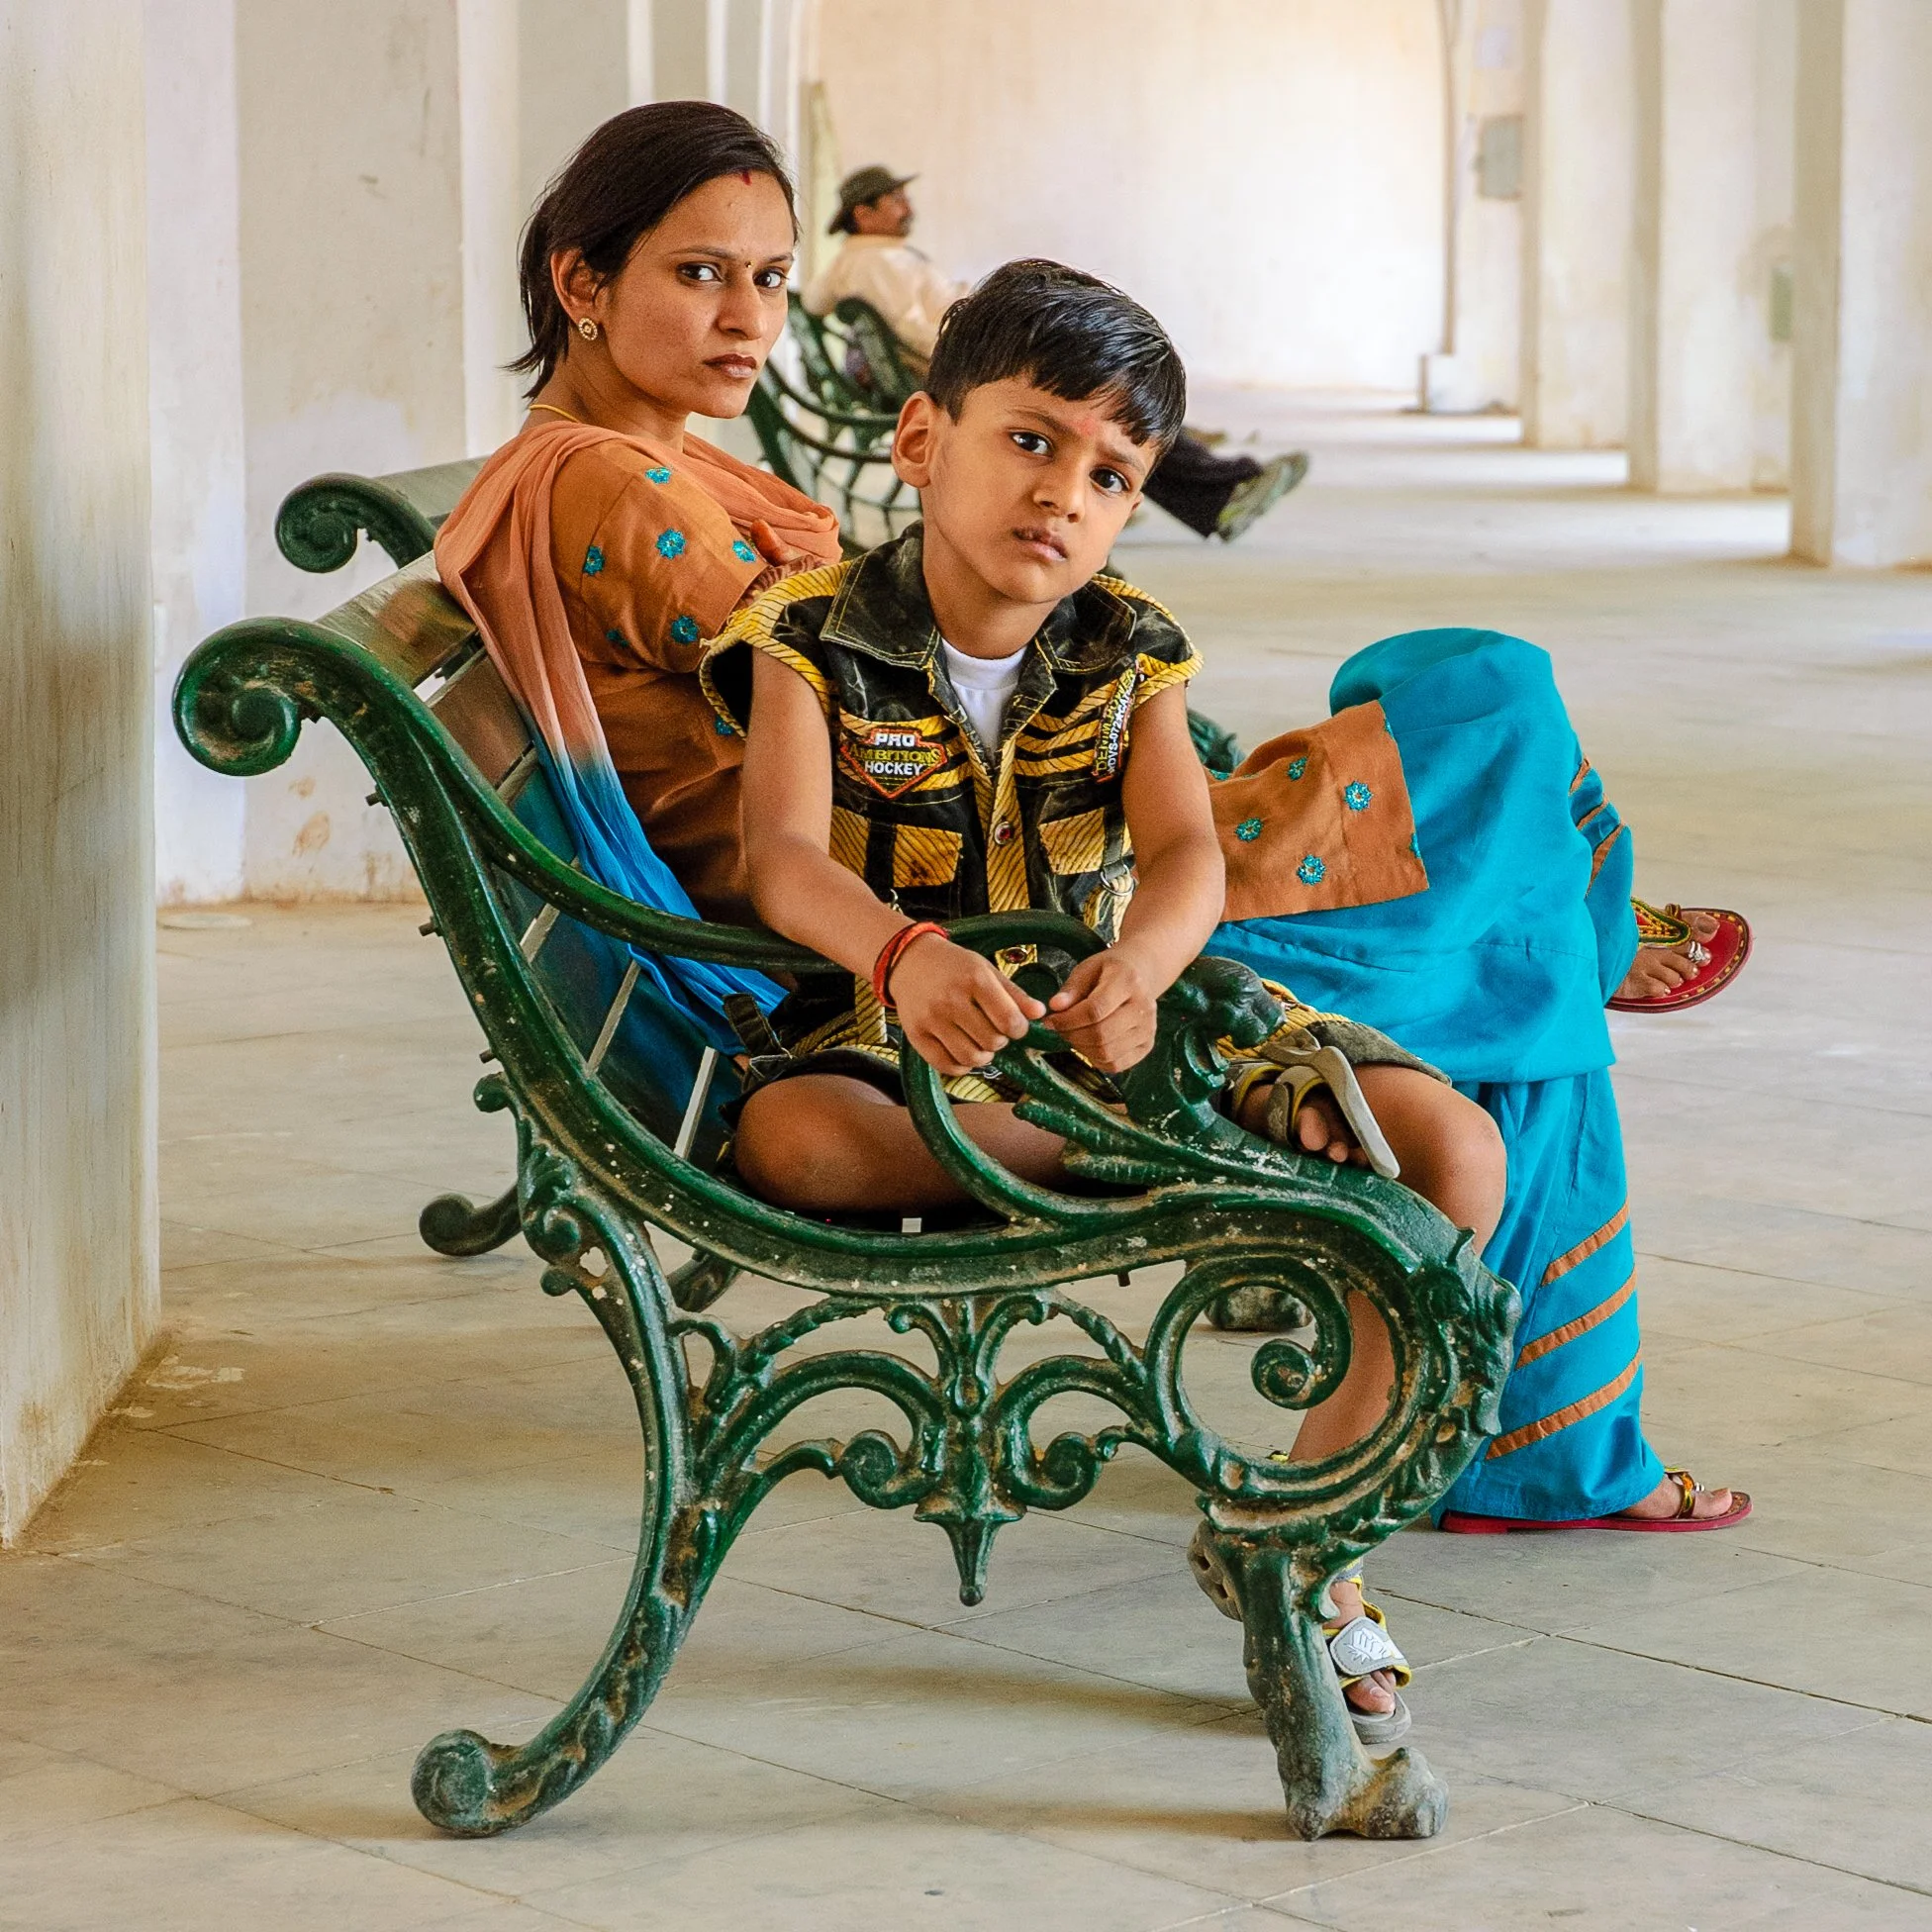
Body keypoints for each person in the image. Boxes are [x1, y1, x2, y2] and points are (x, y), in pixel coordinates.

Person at [705, 258, 1509, 1744]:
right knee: (803, 1144)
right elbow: (783, 857)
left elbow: (1192, 850)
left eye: (1111, 473)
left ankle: (1304, 1536)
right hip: (908, 1038)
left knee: (1455, 1156)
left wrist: (1142, 962)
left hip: (1117, 1032)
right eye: (1030, 439)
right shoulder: (810, 637)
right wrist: (902, 954)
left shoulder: (1128, 649)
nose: (1063, 495)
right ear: (920, 442)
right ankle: (1148, 1161)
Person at [805, 165, 1307, 542]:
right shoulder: (875, 265)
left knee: (1108, 399)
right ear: (862, 213)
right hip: (968, 371)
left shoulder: (874, 262)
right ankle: (1221, 488)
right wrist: (1000, 349)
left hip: (967, 363)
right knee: (1104, 399)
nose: (906, 206)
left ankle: (1217, 490)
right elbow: (921, 332)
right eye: (893, 199)